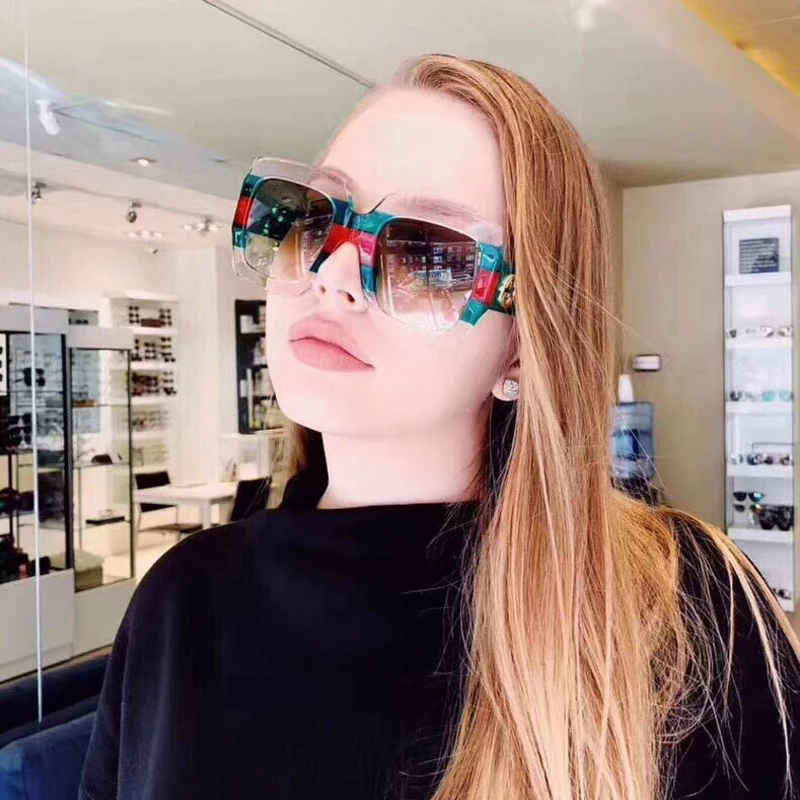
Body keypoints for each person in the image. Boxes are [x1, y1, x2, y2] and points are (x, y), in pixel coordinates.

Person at [80, 54, 800, 800]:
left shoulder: (683, 608)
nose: (332, 274)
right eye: (314, 218)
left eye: (428, 258)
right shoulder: (182, 602)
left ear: (522, 349)